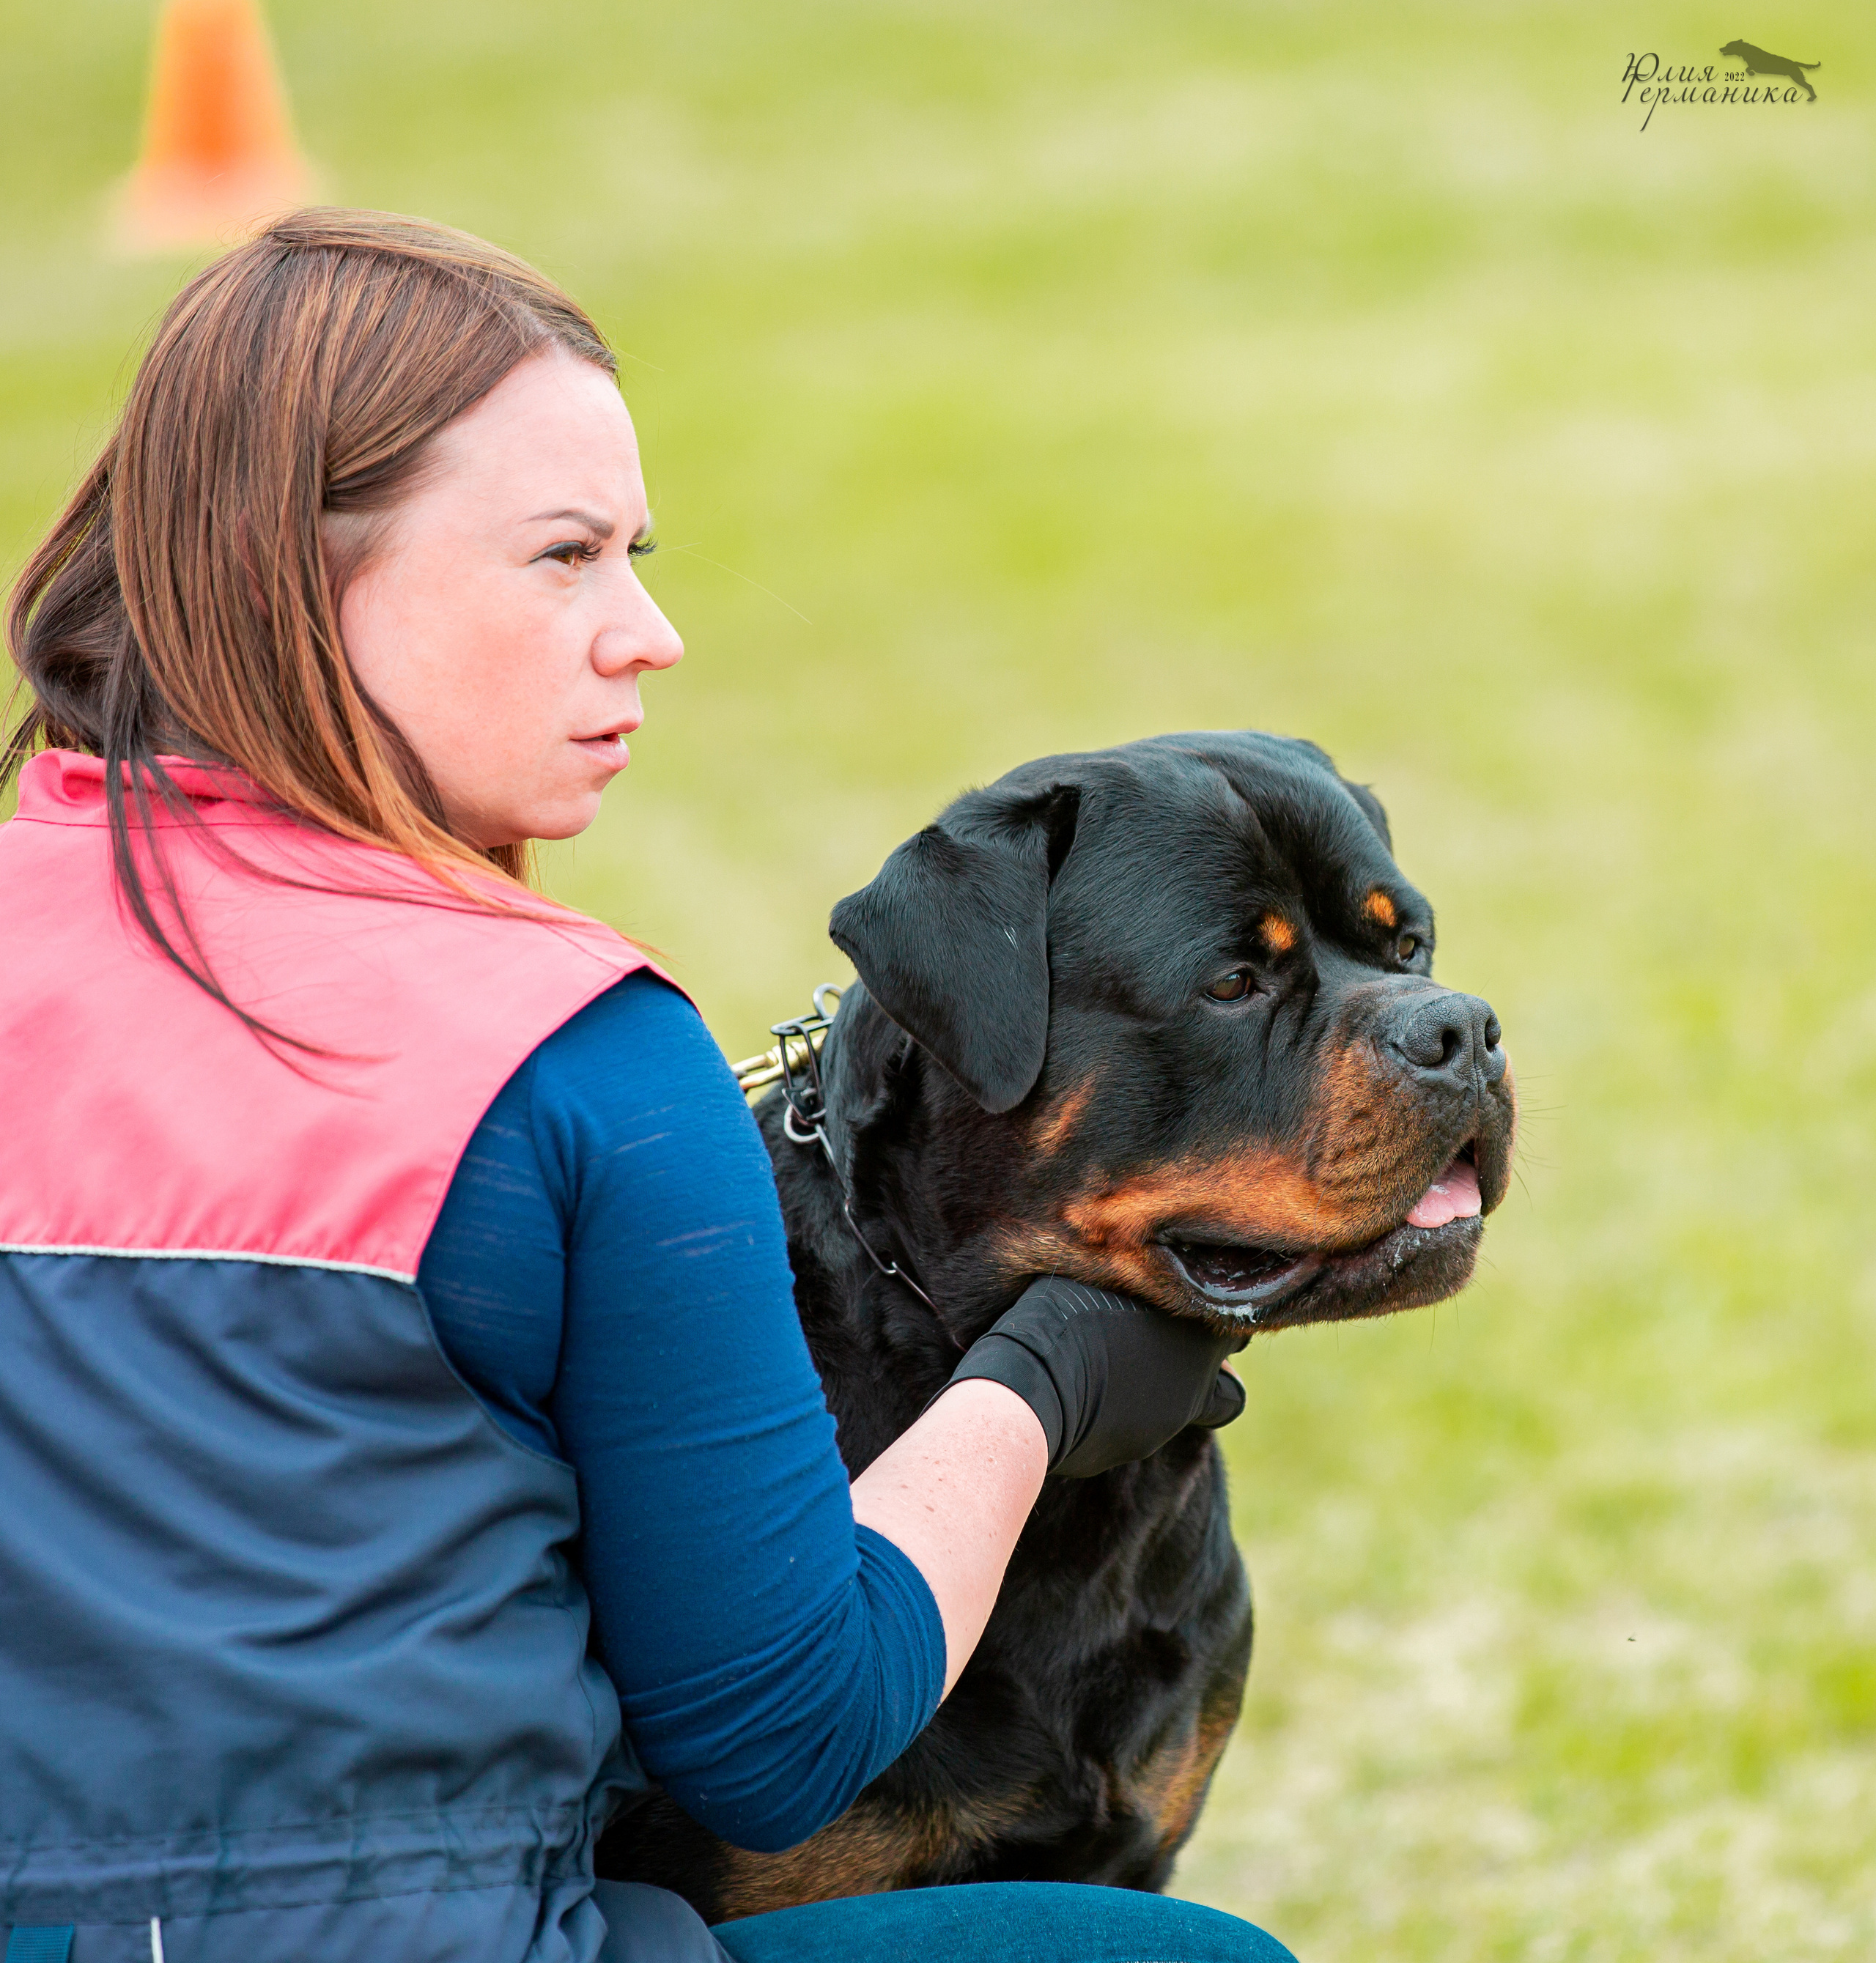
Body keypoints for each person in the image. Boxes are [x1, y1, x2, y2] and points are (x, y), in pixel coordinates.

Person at [0, 209, 1296, 1963]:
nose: (647, 631)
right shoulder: (571, 1056)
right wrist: (1049, 1379)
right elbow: (775, 1737)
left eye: (637, 552)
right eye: (561, 558)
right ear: (293, 578)